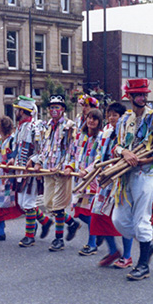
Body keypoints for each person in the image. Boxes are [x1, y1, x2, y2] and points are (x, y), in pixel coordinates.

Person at [112, 78, 153, 281]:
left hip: (146, 173)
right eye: (138, 94)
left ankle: (143, 265)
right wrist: (125, 153)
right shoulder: (124, 120)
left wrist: (146, 159)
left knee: (141, 218)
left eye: (144, 94)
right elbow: (116, 145)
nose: (143, 98)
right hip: (125, 175)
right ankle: (147, 244)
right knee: (118, 220)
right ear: (130, 97)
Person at [29, 94, 80, 252]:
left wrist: (66, 167)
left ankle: (59, 239)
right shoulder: (47, 125)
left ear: (63, 109)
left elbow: (73, 150)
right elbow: (44, 147)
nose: (53, 110)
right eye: (51, 107)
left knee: (58, 205)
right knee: (48, 204)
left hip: (62, 171)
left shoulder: (70, 126)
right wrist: (37, 161)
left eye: (56, 107)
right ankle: (71, 222)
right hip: (48, 170)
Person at [90, 102, 133, 268]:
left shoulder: (129, 134)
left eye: (115, 115)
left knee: (122, 218)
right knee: (99, 215)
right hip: (105, 180)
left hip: (121, 180)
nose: (111, 118)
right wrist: (96, 167)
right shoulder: (106, 133)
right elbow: (99, 154)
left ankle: (127, 256)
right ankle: (114, 250)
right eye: (109, 115)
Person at [11, 96, 52, 248]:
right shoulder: (21, 127)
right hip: (21, 170)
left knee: (28, 203)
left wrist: (34, 159)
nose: (16, 112)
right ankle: (46, 221)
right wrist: (12, 160)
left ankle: (30, 236)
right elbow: (19, 148)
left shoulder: (36, 127)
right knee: (22, 203)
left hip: (32, 171)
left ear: (23, 111)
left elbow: (43, 149)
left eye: (18, 110)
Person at [65, 108, 104, 256]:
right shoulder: (81, 137)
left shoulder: (101, 137)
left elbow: (99, 158)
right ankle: (98, 231)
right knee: (78, 210)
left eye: (94, 118)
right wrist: (70, 167)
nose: (91, 121)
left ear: (99, 122)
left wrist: (88, 170)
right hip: (80, 179)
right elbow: (74, 154)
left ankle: (92, 243)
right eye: (89, 118)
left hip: (93, 180)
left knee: (89, 211)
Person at [0, 116, 24, 241]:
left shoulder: (11, 141)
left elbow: (13, 156)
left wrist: (3, 163)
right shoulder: (1, 141)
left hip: (8, 179)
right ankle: (0, 232)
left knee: (18, 204)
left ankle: (39, 221)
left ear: (3, 127)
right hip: (1, 178)